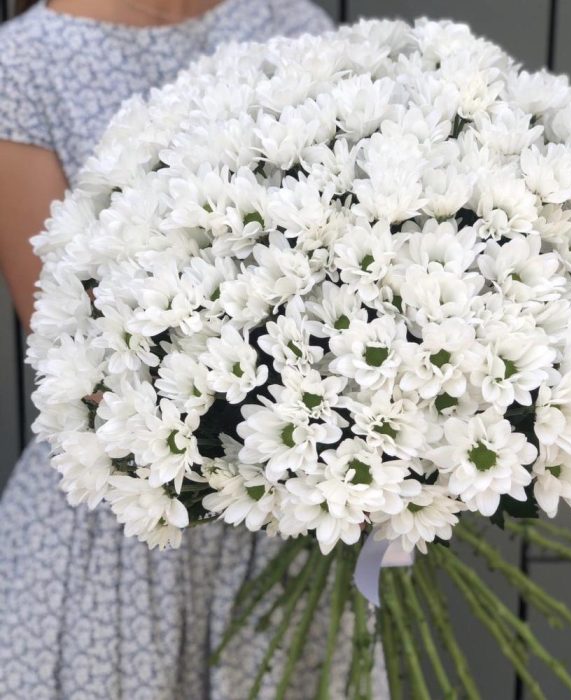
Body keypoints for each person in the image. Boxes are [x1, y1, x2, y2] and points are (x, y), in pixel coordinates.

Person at [0, 2, 353, 698]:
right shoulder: (24, 66)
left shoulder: (293, 27)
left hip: (290, 511)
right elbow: (65, 340)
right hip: (124, 517)